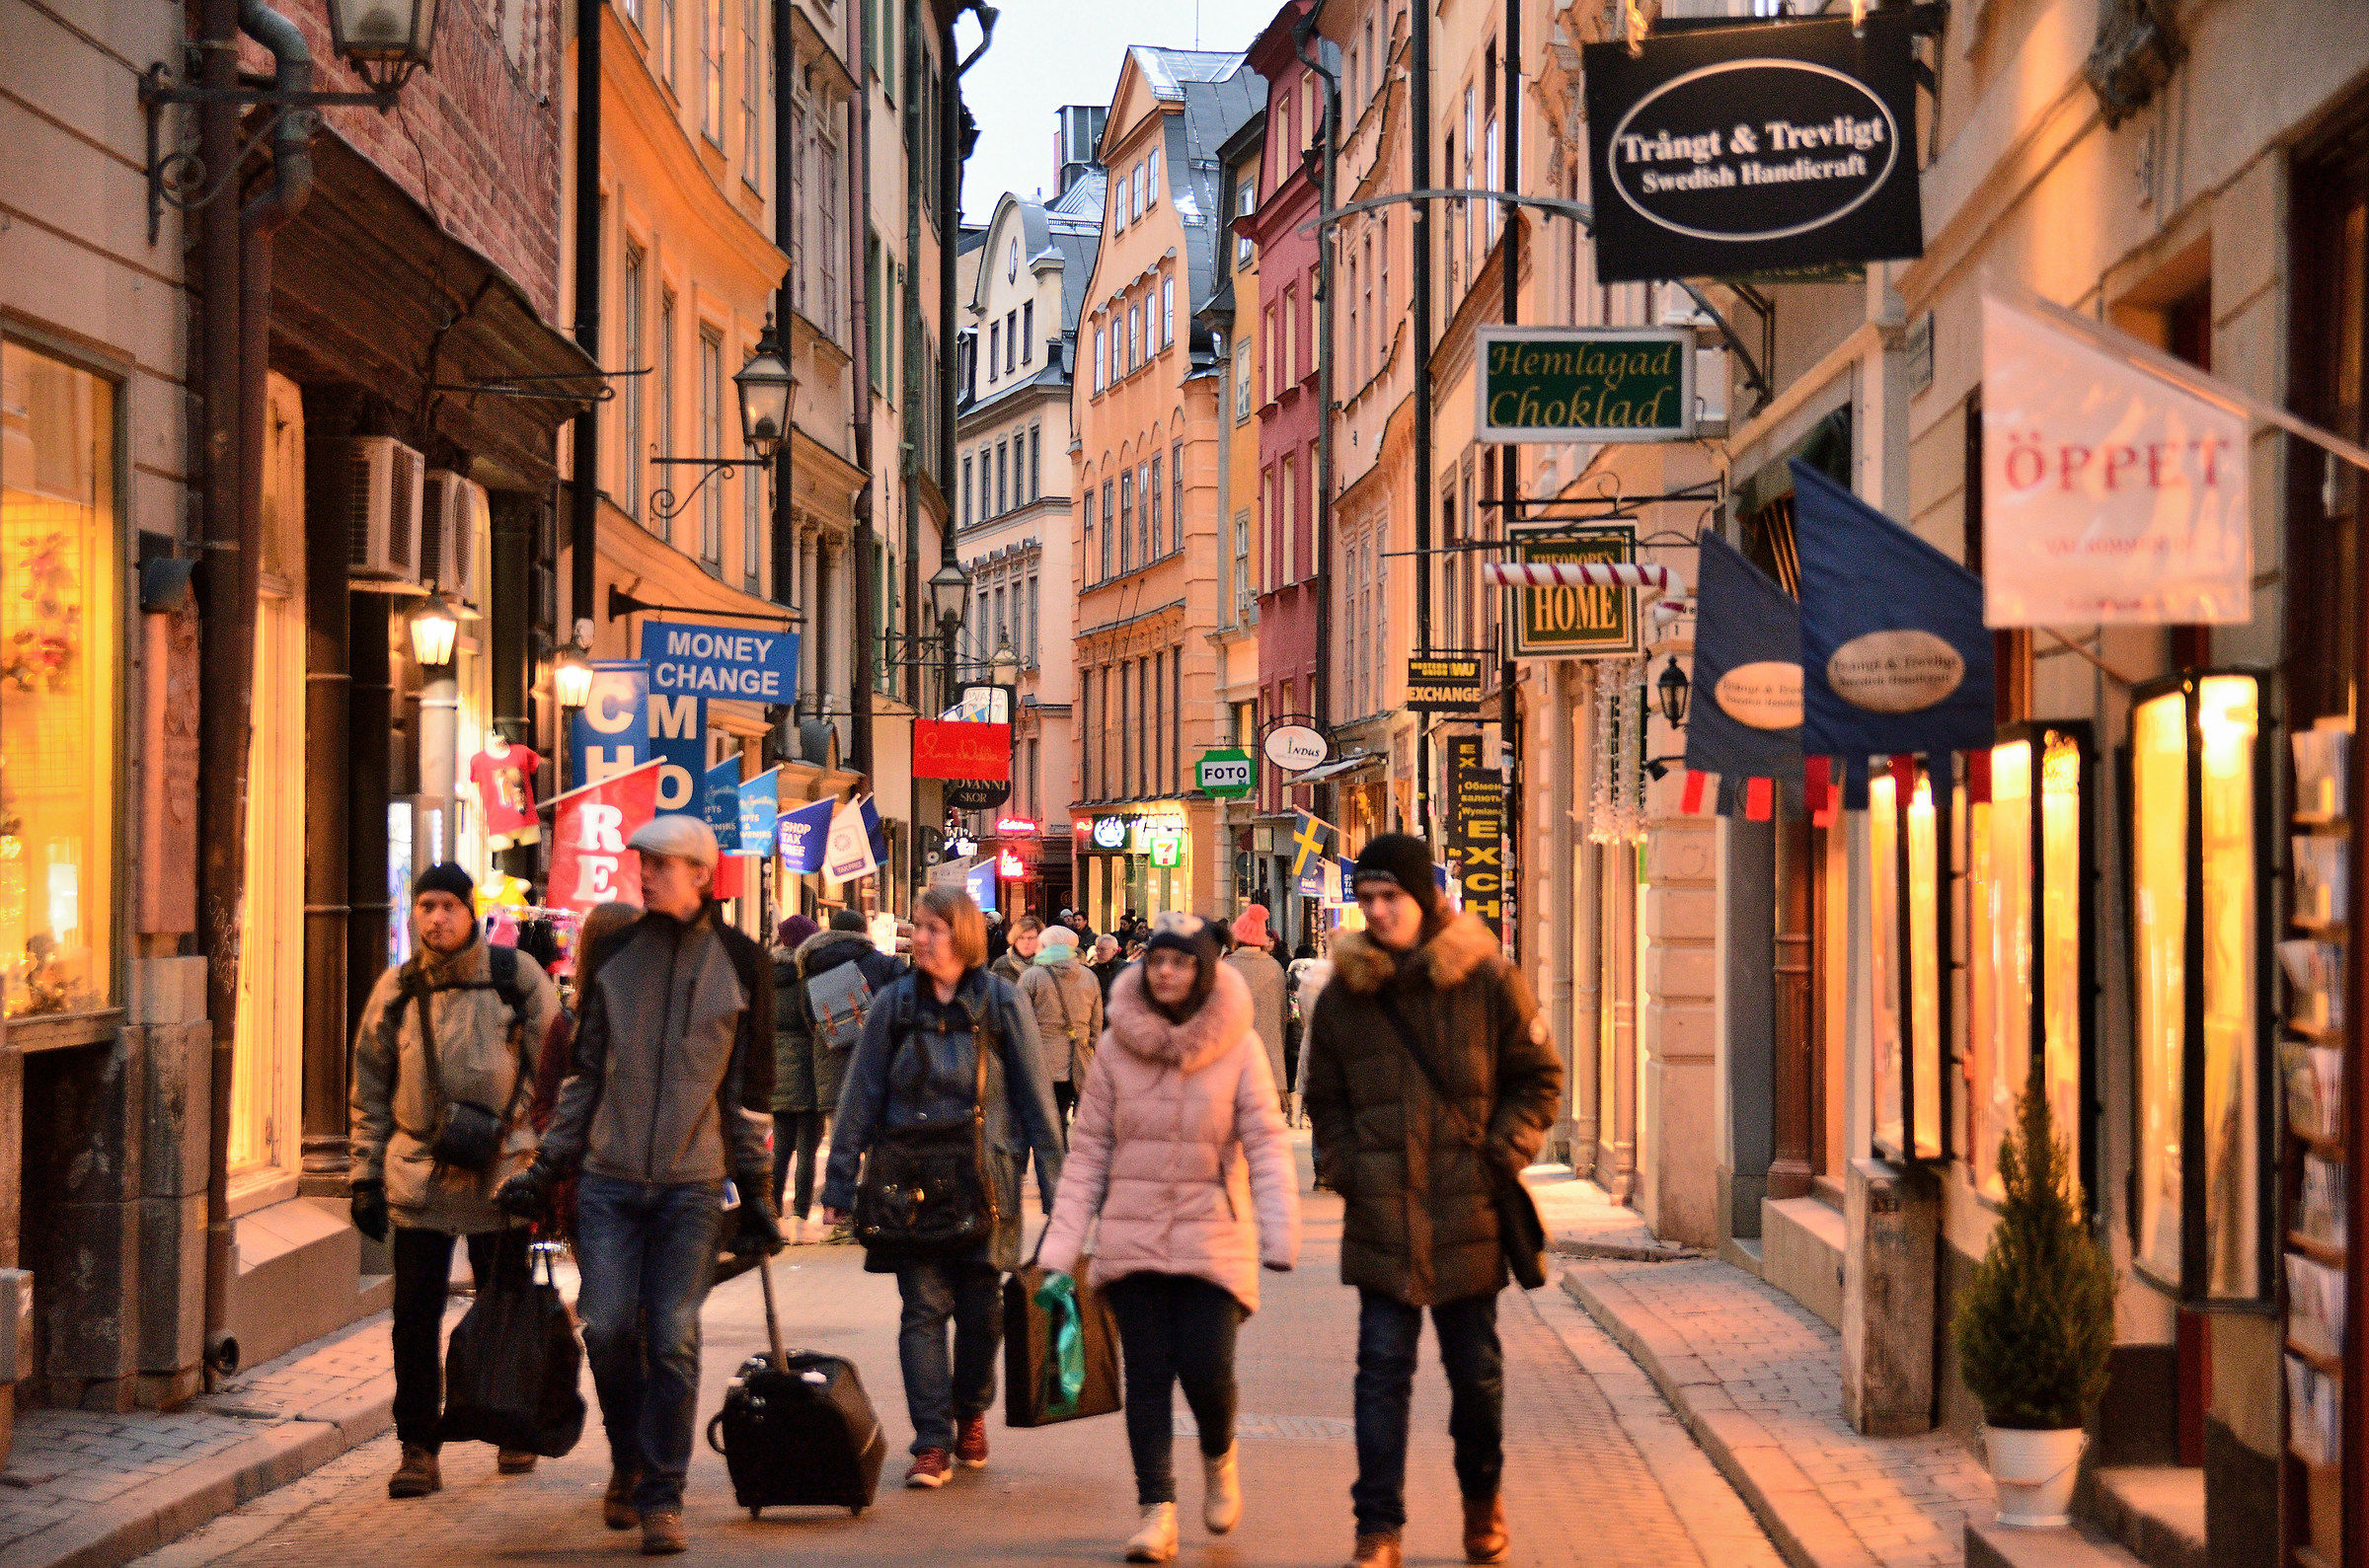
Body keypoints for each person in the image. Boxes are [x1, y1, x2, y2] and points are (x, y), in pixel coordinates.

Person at [498, 816, 780, 1556]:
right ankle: (628, 1453)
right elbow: (584, 1078)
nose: (643, 874)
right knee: (613, 1326)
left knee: (675, 1335)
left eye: (657, 864)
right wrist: (548, 1167)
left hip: (692, 1186)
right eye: (641, 863)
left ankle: (662, 1492)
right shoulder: (617, 954)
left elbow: (748, 1096)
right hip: (608, 1182)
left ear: (699, 873)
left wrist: (758, 1196)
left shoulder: (743, 962)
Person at [1302, 835, 1564, 1568]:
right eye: (1369, 898)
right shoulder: (1346, 996)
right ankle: (1377, 1526)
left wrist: (1500, 1155)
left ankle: (1484, 1505)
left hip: (1467, 1214)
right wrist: (1347, 1167)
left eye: (1393, 897)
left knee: (1476, 1378)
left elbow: (1539, 1076)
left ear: (1426, 898)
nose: (1379, 911)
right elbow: (1324, 1097)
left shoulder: (1486, 979)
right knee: (1381, 1375)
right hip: (1383, 1215)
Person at [1040, 914, 1299, 1563]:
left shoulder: (1239, 1048)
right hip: (1131, 1235)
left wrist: (1280, 1227)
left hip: (1214, 1234)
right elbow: (1089, 1152)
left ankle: (1219, 1454)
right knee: (1149, 1373)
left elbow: (1267, 1143)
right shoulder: (1115, 1047)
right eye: (1157, 960)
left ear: (1204, 969)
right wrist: (1061, 1244)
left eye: (1180, 961)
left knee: (1208, 1369)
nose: (1165, 971)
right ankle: (1157, 1508)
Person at [819, 887, 1066, 1489]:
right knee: (923, 1311)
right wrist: (840, 1182)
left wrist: (1063, 1202)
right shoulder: (893, 1007)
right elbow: (860, 1095)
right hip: (911, 1186)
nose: (919, 939)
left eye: (932, 928)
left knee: (983, 1316)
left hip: (987, 1182)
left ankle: (970, 1413)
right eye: (916, 928)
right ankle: (932, 1441)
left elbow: (1038, 1104)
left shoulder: (1002, 1003)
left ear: (962, 937)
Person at [349, 863, 563, 1501]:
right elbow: (370, 1087)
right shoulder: (398, 987)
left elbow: (555, 1065)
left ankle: (513, 1425)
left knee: (508, 1311)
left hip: (504, 1174)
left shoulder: (515, 976)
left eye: (447, 905)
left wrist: (535, 1152)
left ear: (471, 911)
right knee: (413, 1317)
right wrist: (364, 1174)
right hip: (421, 1175)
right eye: (425, 906)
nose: (435, 917)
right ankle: (418, 1446)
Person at [783, 909, 906, 1241]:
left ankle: (846, 1219)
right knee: (881, 1142)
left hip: (833, 1066)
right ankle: (878, 1216)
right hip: (882, 1064)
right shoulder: (883, 964)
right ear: (863, 931)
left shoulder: (808, 967)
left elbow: (810, 1020)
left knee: (844, 1141)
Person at [527, 900, 645, 1241]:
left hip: (656, 1189)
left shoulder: (663, 1020)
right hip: (591, 1188)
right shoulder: (568, 1025)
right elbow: (545, 1105)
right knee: (607, 1290)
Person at [1017, 923, 1104, 1135]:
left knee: (1044, 1120)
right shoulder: (1089, 977)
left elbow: (1018, 1019)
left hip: (1041, 1059)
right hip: (1078, 1059)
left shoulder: (1032, 977)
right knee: (1063, 1110)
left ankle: (1054, 1157)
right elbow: (1097, 1022)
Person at [767, 914, 821, 1236]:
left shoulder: (767, 976)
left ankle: (771, 1206)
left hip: (777, 1066)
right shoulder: (808, 978)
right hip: (807, 1066)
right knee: (806, 1149)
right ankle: (799, 1212)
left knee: (780, 1147)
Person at [1224, 907, 1289, 1108]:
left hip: (1231, 1063)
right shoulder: (1275, 969)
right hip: (1269, 1066)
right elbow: (1282, 1020)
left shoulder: (1227, 968)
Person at [990, 914, 1042, 984]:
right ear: (1015, 939)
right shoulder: (1001, 965)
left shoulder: (1046, 966)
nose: (1026, 942)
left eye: (1031, 938)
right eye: (1021, 937)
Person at [1090, 933, 1126, 1001]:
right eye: (1097, 949)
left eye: (1103, 950)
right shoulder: (1092, 971)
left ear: (1114, 951)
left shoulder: (1125, 969)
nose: (1099, 953)